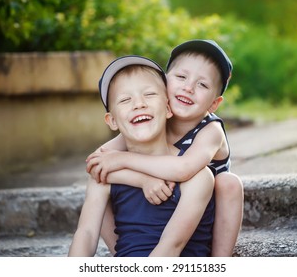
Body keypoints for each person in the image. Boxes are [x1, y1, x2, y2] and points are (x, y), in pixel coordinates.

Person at [87, 40, 244, 257]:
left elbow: (184, 169)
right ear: (164, 80)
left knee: (229, 183)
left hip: (200, 209)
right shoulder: (152, 118)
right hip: (161, 206)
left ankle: (219, 260)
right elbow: (98, 161)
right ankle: (122, 253)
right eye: (181, 77)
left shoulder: (210, 130)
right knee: (102, 179)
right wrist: (142, 180)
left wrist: (123, 160)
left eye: (203, 85)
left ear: (214, 104)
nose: (188, 88)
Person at [68, 55, 215, 257]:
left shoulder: (197, 177)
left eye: (149, 94)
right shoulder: (105, 175)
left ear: (168, 108)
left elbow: (171, 246)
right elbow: (86, 233)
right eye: (125, 99)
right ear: (112, 121)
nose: (139, 104)